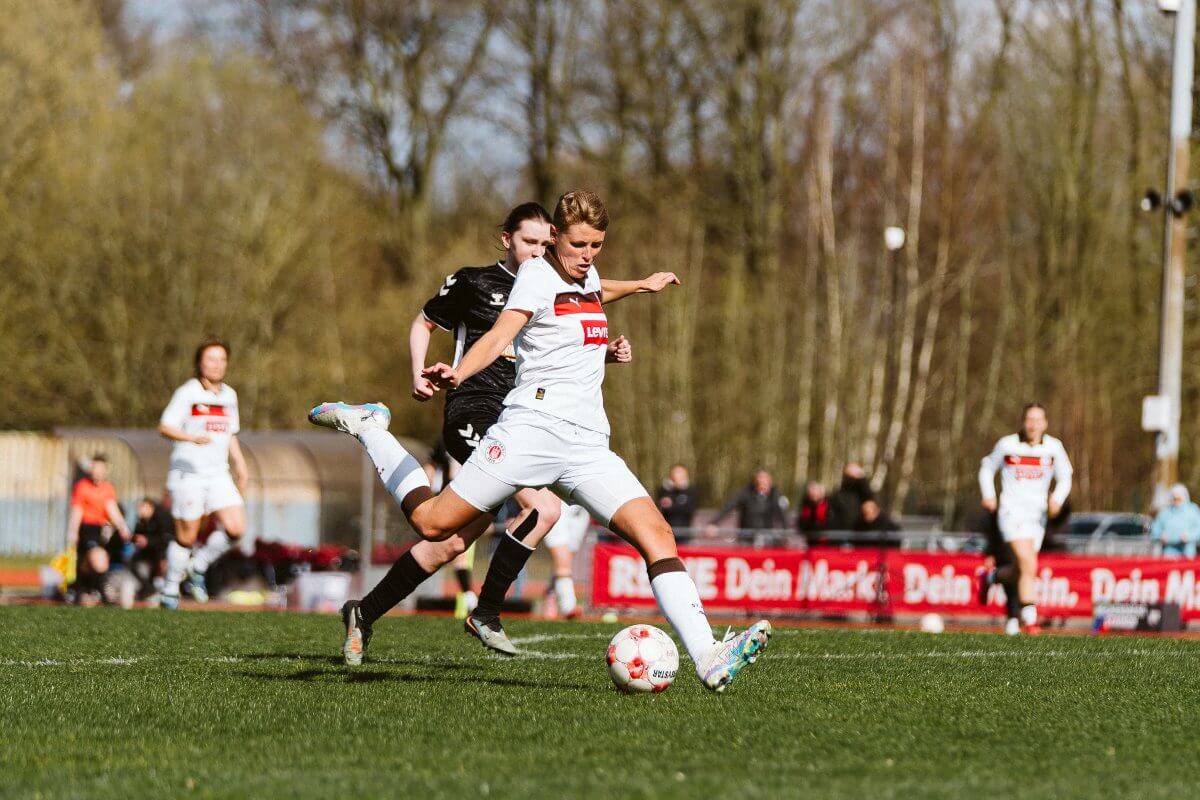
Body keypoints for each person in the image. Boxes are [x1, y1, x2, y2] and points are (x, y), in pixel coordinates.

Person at [310, 189, 771, 692]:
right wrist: (459, 373)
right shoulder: (534, 276)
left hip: (588, 445)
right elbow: (497, 337)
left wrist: (642, 285)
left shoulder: (587, 274)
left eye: (596, 244)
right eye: (578, 244)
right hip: (530, 430)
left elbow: (597, 289)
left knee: (657, 535)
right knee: (432, 523)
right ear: (555, 238)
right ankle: (373, 431)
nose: (588, 255)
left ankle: (708, 655)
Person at [329, 202, 631, 663]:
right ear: (507, 238)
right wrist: (420, 374)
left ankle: (363, 612)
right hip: (474, 409)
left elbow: (564, 338)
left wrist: (609, 345)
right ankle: (486, 612)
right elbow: (425, 323)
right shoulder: (475, 282)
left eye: (544, 243)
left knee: (448, 541)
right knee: (543, 507)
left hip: (518, 417)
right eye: (529, 241)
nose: (538, 250)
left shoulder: (556, 285)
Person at [157, 338, 250, 609]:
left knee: (236, 528)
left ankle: (198, 566)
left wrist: (240, 464)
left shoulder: (229, 395)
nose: (217, 365)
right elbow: (164, 426)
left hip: (218, 473)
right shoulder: (188, 392)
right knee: (186, 536)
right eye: (211, 359)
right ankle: (171, 589)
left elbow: (231, 433)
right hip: (188, 474)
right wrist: (190, 438)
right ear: (199, 362)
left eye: (222, 359)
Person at [976, 403, 1072, 635]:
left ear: (1045, 423)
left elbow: (1066, 476)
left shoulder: (1053, 447)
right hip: (1011, 512)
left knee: (1022, 570)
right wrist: (988, 494)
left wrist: (1057, 500)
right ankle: (1030, 619)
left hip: (1036, 518)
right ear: (1023, 421)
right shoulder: (1007, 444)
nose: (1034, 425)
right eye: (1030, 419)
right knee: (1029, 563)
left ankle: (992, 576)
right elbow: (987, 468)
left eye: (1038, 420)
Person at [65, 454, 132, 604]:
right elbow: (77, 510)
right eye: (95, 468)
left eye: (101, 468)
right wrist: (73, 531)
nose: (97, 471)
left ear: (106, 470)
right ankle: (103, 594)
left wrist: (122, 527)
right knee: (96, 559)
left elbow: (112, 509)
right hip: (86, 529)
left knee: (89, 564)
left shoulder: (108, 488)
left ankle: (83, 590)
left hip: (100, 530)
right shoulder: (82, 486)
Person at [542, 502, 592, 618]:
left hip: (580, 508)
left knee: (567, 559)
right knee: (563, 560)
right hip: (557, 504)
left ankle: (551, 592)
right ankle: (568, 607)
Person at [713, 470, 788, 533]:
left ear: (770, 483)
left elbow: (782, 514)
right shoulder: (745, 492)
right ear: (755, 482)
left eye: (766, 484)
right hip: (746, 536)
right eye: (760, 484)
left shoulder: (775, 494)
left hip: (766, 537)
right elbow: (729, 506)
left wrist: (786, 531)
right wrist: (714, 523)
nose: (763, 487)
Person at [130, 496, 173, 599]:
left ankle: (162, 589)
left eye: (143, 507)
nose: (140, 510)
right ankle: (148, 588)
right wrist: (135, 539)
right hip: (149, 550)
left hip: (163, 550)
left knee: (160, 562)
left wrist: (148, 541)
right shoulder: (141, 520)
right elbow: (136, 535)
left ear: (150, 507)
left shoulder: (162, 516)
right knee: (133, 563)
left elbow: (165, 538)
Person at [1150, 484, 1200, 559]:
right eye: (1174, 499)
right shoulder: (1165, 512)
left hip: (1187, 555)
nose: (1176, 501)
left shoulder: (1192, 510)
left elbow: (1198, 529)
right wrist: (1160, 536)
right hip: (1168, 554)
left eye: (1179, 499)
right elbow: (1155, 530)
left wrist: (1189, 536)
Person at [656, 464, 697, 537]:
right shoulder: (664, 491)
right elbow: (660, 508)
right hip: (667, 533)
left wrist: (672, 505)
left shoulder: (691, 491)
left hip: (684, 534)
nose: (678, 478)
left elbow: (690, 509)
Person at [829, 463, 873, 530]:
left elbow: (869, 497)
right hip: (843, 531)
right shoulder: (838, 495)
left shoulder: (865, 494)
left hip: (860, 531)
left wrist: (861, 477)